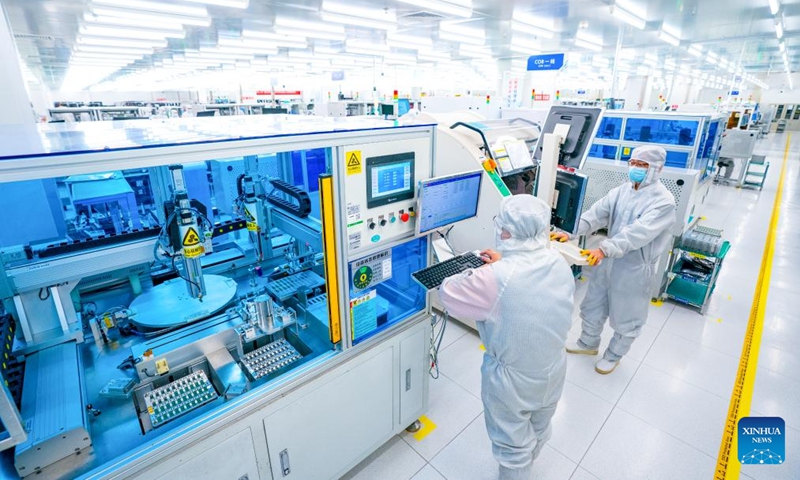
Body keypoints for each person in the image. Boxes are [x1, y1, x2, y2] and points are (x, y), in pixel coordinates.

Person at [439, 195, 574, 480]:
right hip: (553, 368)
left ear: (506, 230)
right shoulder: (557, 260)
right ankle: (527, 464)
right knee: (539, 426)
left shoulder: (494, 278)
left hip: (513, 381)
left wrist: (484, 270)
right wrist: (503, 263)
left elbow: (448, 292)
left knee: (512, 448)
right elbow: (525, 283)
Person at [551, 145, 676, 374]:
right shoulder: (622, 191)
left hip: (634, 267)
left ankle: (614, 355)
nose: (636, 168)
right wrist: (569, 232)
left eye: (643, 165)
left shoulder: (663, 201)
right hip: (608, 261)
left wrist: (605, 248)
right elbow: (595, 215)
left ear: (658, 169)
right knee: (593, 304)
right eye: (634, 163)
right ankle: (588, 343)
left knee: (627, 316)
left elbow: (638, 233)